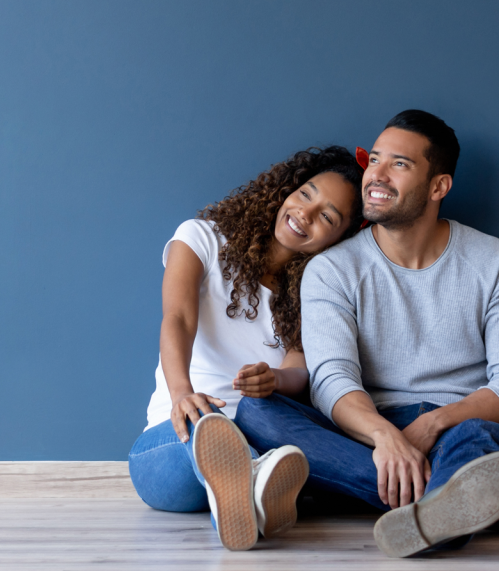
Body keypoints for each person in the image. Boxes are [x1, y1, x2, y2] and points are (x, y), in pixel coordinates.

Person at [235, 110, 499, 558]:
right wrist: (386, 438)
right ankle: (453, 501)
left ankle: (438, 495)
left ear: (438, 186)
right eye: (374, 159)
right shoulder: (332, 270)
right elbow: (332, 379)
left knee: (480, 437)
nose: (375, 175)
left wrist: (433, 423)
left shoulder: (496, 262)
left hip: (455, 423)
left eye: (399, 164)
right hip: (364, 431)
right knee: (256, 413)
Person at [129, 146, 365, 551]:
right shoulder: (201, 236)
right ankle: (248, 483)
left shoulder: (320, 289)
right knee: (205, 430)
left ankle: (247, 488)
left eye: (328, 216)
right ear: (288, 189)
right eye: (306, 194)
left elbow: (299, 368)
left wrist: (275, 379)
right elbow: (178, 318)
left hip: (262, 438)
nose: (306, 213)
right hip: (175, 438)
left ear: (341, 238)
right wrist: (182, 392)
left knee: (261, 443)